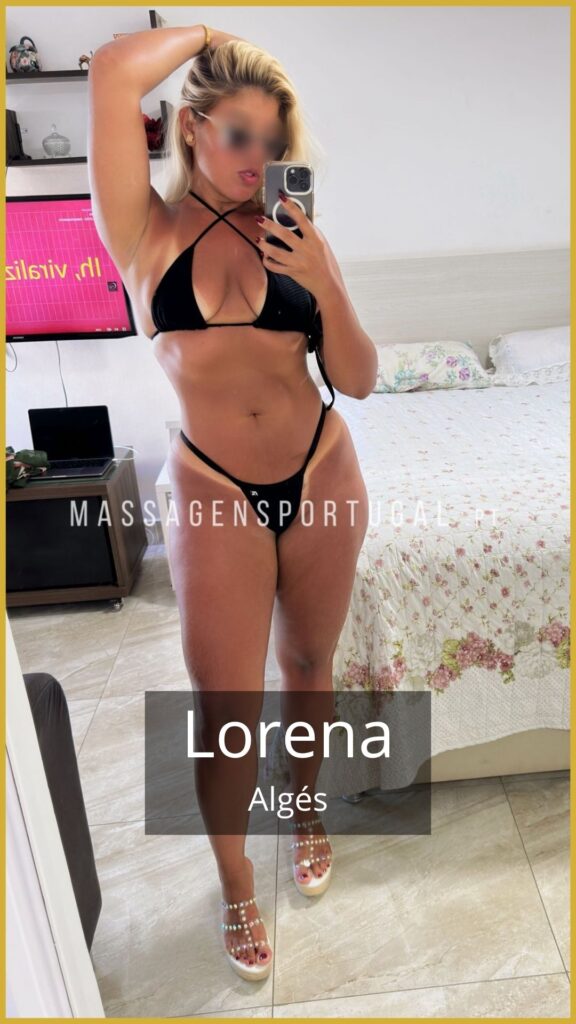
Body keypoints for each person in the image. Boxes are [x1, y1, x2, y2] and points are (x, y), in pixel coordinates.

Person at [88, 23, 378, 982]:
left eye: (275, 142)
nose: (260, 159)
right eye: (241, 135)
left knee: (307, 663)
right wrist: (215, 36)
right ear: (192, 126)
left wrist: (324, 282)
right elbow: (111, 69)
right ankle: (236, 882)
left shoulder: (295, 235)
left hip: (322, 467)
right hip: (213, 488)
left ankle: (305, 807)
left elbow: (359, 378)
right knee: (224, 706)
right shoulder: (144, 230)